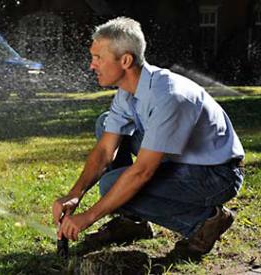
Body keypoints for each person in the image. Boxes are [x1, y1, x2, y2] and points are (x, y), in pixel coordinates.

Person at [52, 16, 244, 255]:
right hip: (183, 160)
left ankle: (205, 221)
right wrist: (74, 195)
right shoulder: (127, 92)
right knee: (106, 125)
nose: (92, 65)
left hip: (216, 174)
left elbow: (142, 172)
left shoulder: (169, 96)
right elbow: (104, 151)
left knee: (113, 185)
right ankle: (132, 222)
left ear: (125, 60)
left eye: (98, 58)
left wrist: (88, 217)